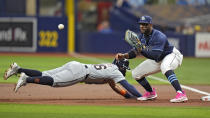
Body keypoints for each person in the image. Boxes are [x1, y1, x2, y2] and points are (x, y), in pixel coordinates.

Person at [115, 15, 188, 103]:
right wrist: (123, 55)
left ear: (150, 25)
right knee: (136, 73)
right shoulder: (141, 36)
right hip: (158, 59)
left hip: (171, 55)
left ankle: (181, 93)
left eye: (145, 24)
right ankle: (150, 93)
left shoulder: (159, 36)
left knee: (165, 67)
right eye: (141, 24)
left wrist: (141, 48)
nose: (142, 26)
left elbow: (155, 55)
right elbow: (134, 52)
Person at [4, 59, 142, 99]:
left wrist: (129, 97)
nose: (124, 71)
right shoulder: (116, 72)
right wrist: (141, 96)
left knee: (44, 73)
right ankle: (26, 79)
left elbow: (115, 87)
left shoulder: (110, 67)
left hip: (75, 64)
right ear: (122, 67)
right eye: (125, 68)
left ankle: (18, 69)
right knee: (53, 82)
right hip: (80, 72)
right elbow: (127, 85)